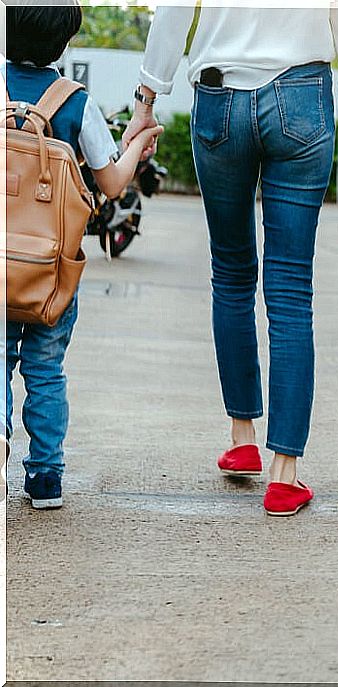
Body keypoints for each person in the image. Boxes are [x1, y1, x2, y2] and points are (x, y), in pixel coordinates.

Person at [123, 6, 338, 516]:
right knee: (290, 290)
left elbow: (172, 14)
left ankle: (242, 437)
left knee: (232, 275)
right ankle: (284, 472)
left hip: (219, 100)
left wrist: (146, 101)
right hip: (302, 97)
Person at [5, 2, 163, 509]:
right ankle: (46, 477)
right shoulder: (75, 103)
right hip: (52, 272)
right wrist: (137, 143)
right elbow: (113, 183)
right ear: (64, 43)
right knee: (46, 371)